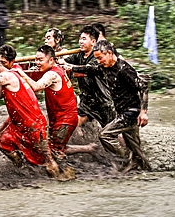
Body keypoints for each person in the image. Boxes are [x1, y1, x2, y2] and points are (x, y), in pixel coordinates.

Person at [0, 59, 70, 180]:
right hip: (19, 123)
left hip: (32, 124)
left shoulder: (8, 76)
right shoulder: (13, 73)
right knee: (1, 142)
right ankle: (22, 168)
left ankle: (61, 178)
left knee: (47, 158)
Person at [64, 41, 151, 171]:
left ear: (109, 53)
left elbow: (143, 88)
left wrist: (143, 112)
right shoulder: (105, 67)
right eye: (97, 59)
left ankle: (125, 158)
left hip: (130, 112)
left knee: (105, 135)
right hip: (122, 111)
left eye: (100, 58)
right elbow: (91, 70)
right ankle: (146, 170)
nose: (99, 61)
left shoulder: (124, 69)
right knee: (135, 148)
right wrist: (71, 67)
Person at [15, 46, 92, 163]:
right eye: (36, 59)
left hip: (65, 119)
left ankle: (70, 166)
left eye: (40, 60)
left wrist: (20, 73)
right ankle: (89, 149)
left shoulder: (51, 74)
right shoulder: (57, 68)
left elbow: (36, 87)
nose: (37, 63)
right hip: (61, 116)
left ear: (51, 60)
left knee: (54, 152)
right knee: (53, 146)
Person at [65, 25, 116, 132]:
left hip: (103, 102)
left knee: (112, 132)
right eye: (80, 39)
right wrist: (56, 60)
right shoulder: (79, 55)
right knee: (74, 123)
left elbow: (89, 69)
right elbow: (65, 61)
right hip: (87, 101)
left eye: (84, 39)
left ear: (93, 42)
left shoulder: (98, 57)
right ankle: (84, 141)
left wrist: (71, 67)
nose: (80, 41)